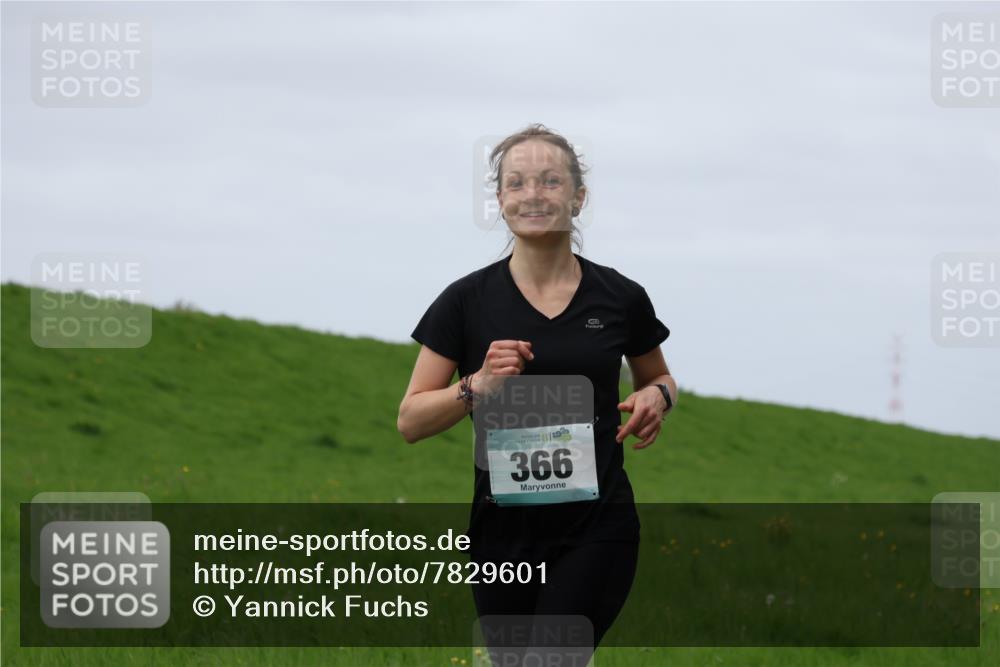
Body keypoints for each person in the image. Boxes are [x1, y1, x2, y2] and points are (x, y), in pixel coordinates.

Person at [398, 124, 676, 664]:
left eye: (550, 181)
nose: (533, 194)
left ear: (578, 196)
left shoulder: (620, 296)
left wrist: (657, 399)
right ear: (500, 200)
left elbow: (659, 377)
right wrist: (475, 386)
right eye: (517, 183)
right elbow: (410, 420)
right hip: (501, 533)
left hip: (597, 526)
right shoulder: (465, 301)